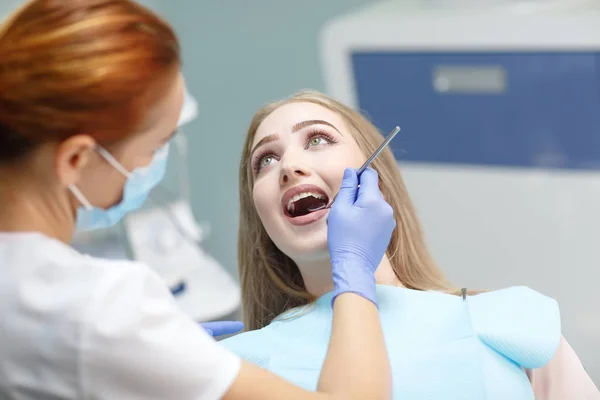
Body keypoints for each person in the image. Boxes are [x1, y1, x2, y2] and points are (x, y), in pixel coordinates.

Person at [0, 1, 396, 399]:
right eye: (157, 146)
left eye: (317, 140)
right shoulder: (99, 310)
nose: (290, 167)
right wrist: (354, 271)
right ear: (76, 160)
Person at [221, 89, 600, 400]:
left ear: (377, 179)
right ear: (261, 218)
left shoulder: (511, 322)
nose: (289, 166)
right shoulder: (234, 369)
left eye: (318, 139)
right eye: (265, 160)